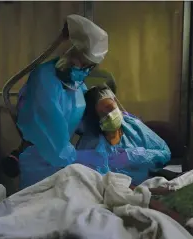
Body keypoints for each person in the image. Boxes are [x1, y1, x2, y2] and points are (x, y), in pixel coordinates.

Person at [17, 14, 108, 189]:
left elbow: (79, 116)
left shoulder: (75, 83)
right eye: (80, 61)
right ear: (68, 49)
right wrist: (85, 157)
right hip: (40, 166)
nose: (82, 69)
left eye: (88, 65)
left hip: (61, 164)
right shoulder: (44, 79)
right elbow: (52, 142)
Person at [76, 84, 172, 185]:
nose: (110, 115)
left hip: (150, 184)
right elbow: (97, 183)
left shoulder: (132, 125)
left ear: (116, 103)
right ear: (95, 119)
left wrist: (137, 156)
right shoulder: (90, 145)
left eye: (110, 108)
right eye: (102, 114)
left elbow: (165, 153)